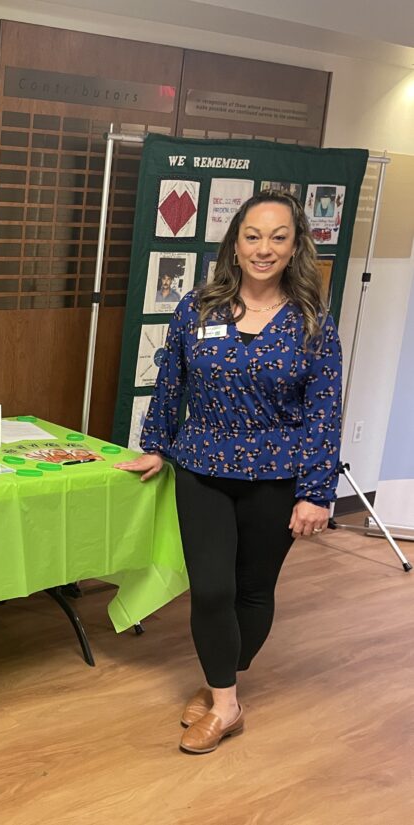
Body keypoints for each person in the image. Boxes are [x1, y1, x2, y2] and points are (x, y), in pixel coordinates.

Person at [116, 190, 342, 754]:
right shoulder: (197, 308)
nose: (264, 249)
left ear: (295, 247)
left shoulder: (312, 322)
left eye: (278, 237)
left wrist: (316, 493)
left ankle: (223, 688)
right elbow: (171, 383)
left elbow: (324, 412)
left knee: (253, 591)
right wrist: (156, 446)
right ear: (235, 244)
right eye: (253, 236)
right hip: (203, 467)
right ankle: (226, 705)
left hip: (276, 476)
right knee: (213, 589)